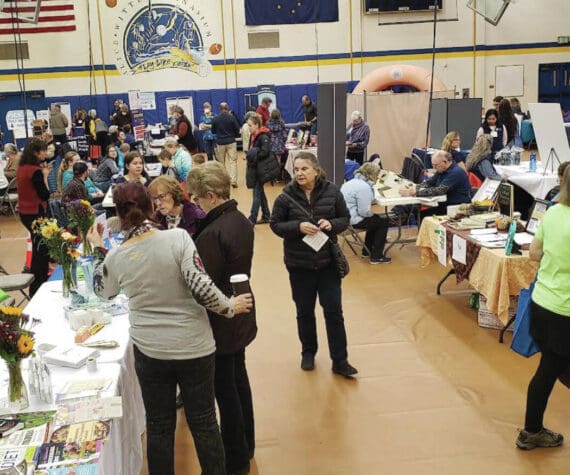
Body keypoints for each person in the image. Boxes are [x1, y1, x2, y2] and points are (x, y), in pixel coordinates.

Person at [88, 181, 253, 474]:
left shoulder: (117, 256)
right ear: (151, 207)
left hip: (150, 351)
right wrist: (230, 306)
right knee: (204, 422)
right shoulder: (177, 238)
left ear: (118, 215)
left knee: (159, 425)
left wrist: (99, 251)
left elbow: (103, 292)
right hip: (194, 347)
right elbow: (201, 287)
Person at [187, 162, 257, 475]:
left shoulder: (213, 232)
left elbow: (206, 284)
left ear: (212, 196)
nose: (196, 203)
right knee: (238, 381)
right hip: (240, 309)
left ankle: (236, 456)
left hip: (223, 316)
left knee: (225, 389)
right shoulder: (239, 219)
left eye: (198, 198)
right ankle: (246, 442)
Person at [270, 152, 357, 377]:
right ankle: (308, 352)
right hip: (299, 265)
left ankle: (340, 360)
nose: (299, 173)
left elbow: (345, 219)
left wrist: (332, 224)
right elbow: (276, 225)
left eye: (304, 169)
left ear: (316, 170)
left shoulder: (332, 192)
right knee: (304, 312)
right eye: (296, 169)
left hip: (327, 264)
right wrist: (298, 227)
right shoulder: (285, 197)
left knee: (334, 312)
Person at [517, 166, 570, 451]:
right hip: (565, 312)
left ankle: (532, 430)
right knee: (550, 370)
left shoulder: (552, 212)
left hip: (544, 304)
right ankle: (531, 431)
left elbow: (535, 253)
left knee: (547, 370)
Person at [17, 138, 51, 295]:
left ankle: (37, 285)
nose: (46, 152)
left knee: (39, 250)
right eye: (43, 150)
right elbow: (45, 195)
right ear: (36, 152)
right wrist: (45, 176)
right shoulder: (36, 171)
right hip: (35, 213)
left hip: (24, 212)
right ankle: (38, 287)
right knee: (41, 251)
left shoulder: (22, 167)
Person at [341, 163, 391, 264]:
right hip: (353, 220)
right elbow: (364, 212)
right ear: (372, 174)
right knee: (383, 221)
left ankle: (366, 251)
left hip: (345, 218)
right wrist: (373, 214)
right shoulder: (364, 187)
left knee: (375, 220)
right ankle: (376, 256)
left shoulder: (351, 182)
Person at [400, 150, 471, 215]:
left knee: (422, 215)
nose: (434, 168)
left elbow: (439, 190)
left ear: (445, 162)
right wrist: (415, 187)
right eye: (433, 165)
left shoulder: (456, 173)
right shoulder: (442, 170)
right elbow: (429, 183)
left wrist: (416, 192)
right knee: (417, 212)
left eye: (436, 165)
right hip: (445, 205)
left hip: (456, 208)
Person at [246, 114, 279, 225]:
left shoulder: (263, 136)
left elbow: (265, 152)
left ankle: (252, 218)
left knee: (256, 194)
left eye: (250, 125)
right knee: (260, 193)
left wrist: (253, 154)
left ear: (257, 125)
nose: (249, 128)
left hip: (262, 170)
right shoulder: (253, 136)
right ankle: (266, 215)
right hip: (256, 169)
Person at [212, 102, 241, 188]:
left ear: (220, 108)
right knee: (233, 161)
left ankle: (223, 181)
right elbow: (237, 130)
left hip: (220, 142)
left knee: (221, 163)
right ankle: (233, 180)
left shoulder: (216, 119)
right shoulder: (232, 118)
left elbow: (213, 131)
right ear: (227, 108)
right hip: (231, 142)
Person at [266, 109, 288, 180]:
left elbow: (267, 135)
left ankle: (272, 176)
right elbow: (285, 136)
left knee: (271, 161)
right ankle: (278, 176)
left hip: (271, 145)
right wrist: (283, 141)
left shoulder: (268, 124)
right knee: (278, 160)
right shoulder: (281, 124)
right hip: (279, 146)